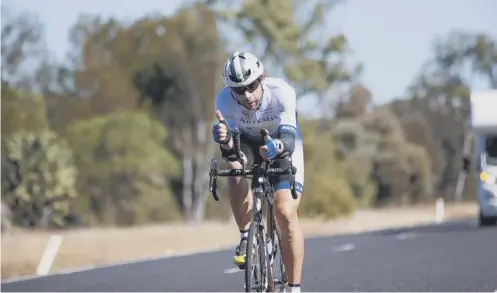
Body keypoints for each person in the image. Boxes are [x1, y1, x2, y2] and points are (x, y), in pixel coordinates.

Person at [211, 51, 304, 292]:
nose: (247, 95)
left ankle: (294, 288)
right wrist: (224, 140)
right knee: (235, 166)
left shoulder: (282, 93)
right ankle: (246, 238)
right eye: (239, 90)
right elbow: (232, 149)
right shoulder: (224, 101)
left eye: (251, 86)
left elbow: (289, 140)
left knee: (285, 212)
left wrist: (278, 147)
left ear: (262, 78)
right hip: (249, 143)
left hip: (281, 141)